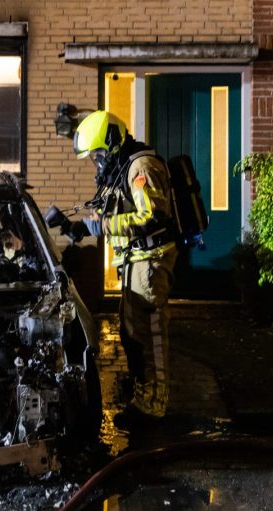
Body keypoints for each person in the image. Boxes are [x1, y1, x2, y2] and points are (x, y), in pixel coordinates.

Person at [71, 110, 178, 428]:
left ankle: (154, 406)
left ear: (113, 143)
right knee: (131, 333)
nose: (98, 162)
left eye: (99, 154)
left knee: (149, 334)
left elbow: (151, 217)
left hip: (151, 262)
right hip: (136, 263)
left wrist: (99, 226)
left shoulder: (141, 167)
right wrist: (78, 225)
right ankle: (142, 395)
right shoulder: (125, 167)